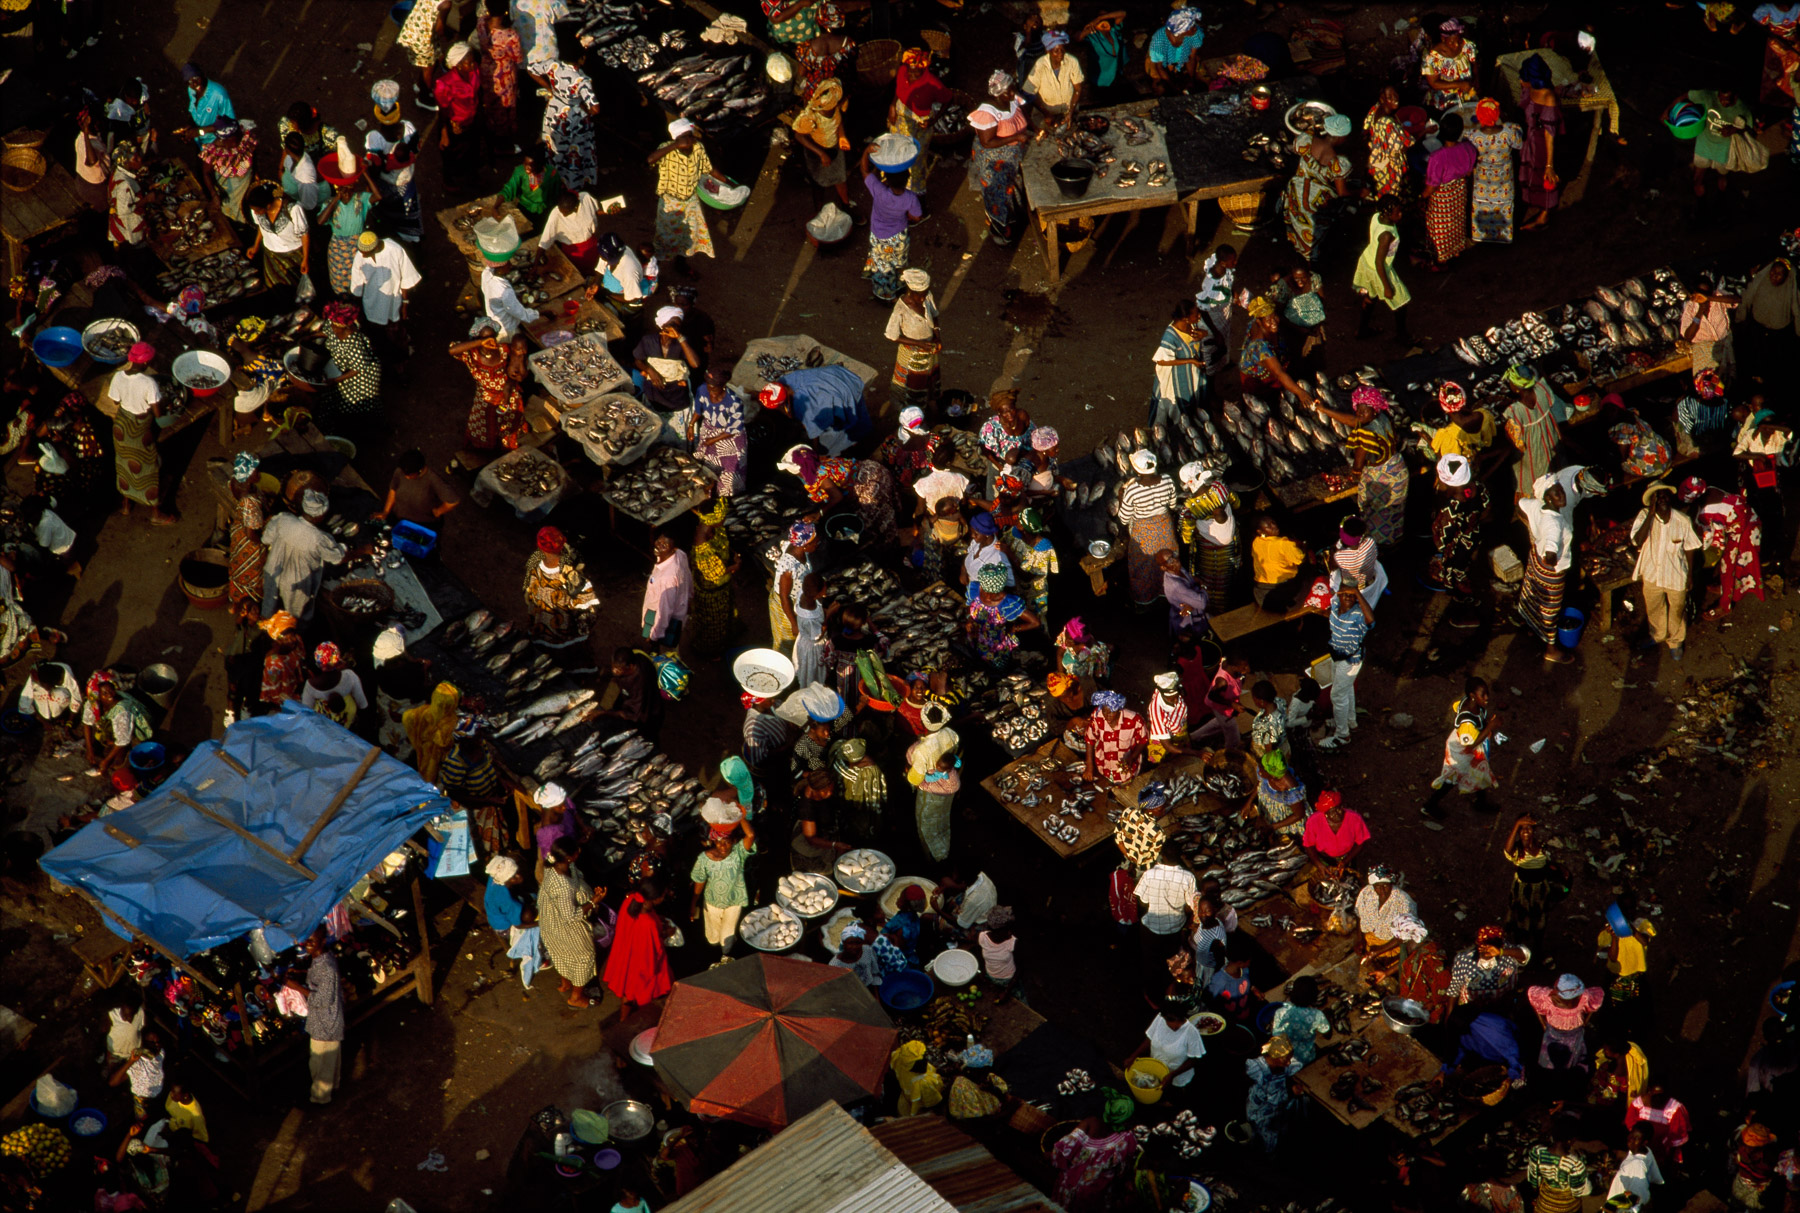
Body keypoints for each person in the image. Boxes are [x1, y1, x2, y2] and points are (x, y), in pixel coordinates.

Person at [1630, 483, 1702, 660]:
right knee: (1654, 607)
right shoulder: (1644, 516)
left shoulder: (1682, 520)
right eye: (1656, 497)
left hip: (1676, 574)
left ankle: (1675, 641)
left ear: (1670, 498)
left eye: (1664, 495)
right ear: (1651, 502)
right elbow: (1637, 541)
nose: (1661, 499)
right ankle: (1657, 635)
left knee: (1677, 610)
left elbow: (1690, 547)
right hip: (1652, 573)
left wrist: (1689, 576)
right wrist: (1651, 514)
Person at [107, 343, 176, 525]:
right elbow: (158, 414)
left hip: (121, 426)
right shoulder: (148, 382)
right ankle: (155, 512)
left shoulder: (118, 376)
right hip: (139, 429)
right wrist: (165, 403)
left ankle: (126, 505)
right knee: (148, 467)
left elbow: (115, 401)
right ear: (145, 362)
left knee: (124, 463)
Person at [1680, 476, 1764, 618]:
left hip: (1745, 531)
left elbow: (1715, 541)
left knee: (1728, 566)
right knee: (1729, 563)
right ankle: (1726, 587)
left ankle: (1725, 604)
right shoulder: (1711, 490)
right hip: (1747, 519)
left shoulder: (1707, 511)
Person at [537, 838, 604, 1008]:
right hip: (561, 924)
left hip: (552, 918)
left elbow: (577, 880)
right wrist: (593, 902)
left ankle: (565, 982)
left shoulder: (559, 866)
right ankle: (575, 997)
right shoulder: (562, 886)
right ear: (569, 857)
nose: (579, 852)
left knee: (562, 953)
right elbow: (571, 916)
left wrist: (589, 894)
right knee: (585, 956)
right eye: (576, 851)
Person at [966, 72, 1030, 245]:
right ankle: (1000, 229)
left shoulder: (1012, 100)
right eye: (1008, 92)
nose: (1013, 94)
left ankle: (1013, 218)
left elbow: (1023, 116)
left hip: (1012, 155)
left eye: (1012, 89)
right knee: (997, 192)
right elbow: (987, 142)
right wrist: (1015, 138)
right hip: (993, 159)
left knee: (1013, 186)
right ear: (997, 94)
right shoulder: (988, 113)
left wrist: (1034, 128)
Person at [650, 119, 723, 269]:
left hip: (691, 202)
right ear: (676, 139)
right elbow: (650, 160)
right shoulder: (666, 149)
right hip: (670, 203)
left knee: (689, 234)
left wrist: (727, 182)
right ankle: (655, 266)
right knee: (665, 236)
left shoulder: (698, 147)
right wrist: (675, 145)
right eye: (684, 137)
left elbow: (709, 168)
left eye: (690, 136)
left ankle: (681, 262)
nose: (689, 140)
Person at [1518, 478, 1577, 663]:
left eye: (1561, 490)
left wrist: (1533, 531)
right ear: (1547, 498)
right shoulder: (1554, 523)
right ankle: (1550, 649)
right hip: (1551, 571)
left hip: (1535, 560)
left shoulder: (1537, 506)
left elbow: (1520, 503)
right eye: (1556, 493)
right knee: (1550, 609)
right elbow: (1550, 552)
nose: (1562, 495)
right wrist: (1551, 560)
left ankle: (1530, 625)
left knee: (1534, 596)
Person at [447, 320, 528, 454]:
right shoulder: (471, 354)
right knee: (482, 429)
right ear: (476, 338)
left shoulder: (503, 349)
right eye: (484, 338)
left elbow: (519, 373)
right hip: (485, 396)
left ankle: (506, 451)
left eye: (491, 337)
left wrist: (510, 383)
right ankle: (486, 453)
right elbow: (452, 350)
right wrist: (481, 342)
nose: (489, 342)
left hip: (507, 395)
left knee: (508, 429)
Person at [1283, 113, 1350, 264]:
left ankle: (1297, 255)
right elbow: (1342, 192)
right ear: (1340, 137)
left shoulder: (1306, 140)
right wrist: (1361, 193)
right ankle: (1308, 265)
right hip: (1313, 205)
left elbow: (1296, 147)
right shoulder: (1338, 162)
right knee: (1312, 238)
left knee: (1296, 228)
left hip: (1296, 194)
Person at [522, 527, 599, 657]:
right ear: (562, 546)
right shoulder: (571, 576)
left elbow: (528, 596)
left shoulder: (534, 566)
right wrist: (583, 630)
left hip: (539, 629)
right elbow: (590, 610)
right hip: (564, 636)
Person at [758, 366, 872, 454]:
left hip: (845, 389)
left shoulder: (802, 405)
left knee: (850, 422)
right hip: (838, 375)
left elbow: (816, 431)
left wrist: (816, 451)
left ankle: (859, 442)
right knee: (857, 415)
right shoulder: (784, 382)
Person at [1314, 583, 1372, 751]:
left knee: (1337, 696)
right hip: (1336, 655)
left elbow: (1371, 620)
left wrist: (1357, 593)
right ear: (1338, 594)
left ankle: (1342, 735)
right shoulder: (1335, 605)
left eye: (1352, 595)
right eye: (1345, 593)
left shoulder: (1358, 614)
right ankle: (1349, 720)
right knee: (1346, 690)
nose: (1348, 597)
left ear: (1356, 598)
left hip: (1350, 661)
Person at [1050, 1104, 1136, 1211]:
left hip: (1068, 1190)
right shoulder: (1127, 1139)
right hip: (1096, 1197)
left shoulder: (1090, 1122)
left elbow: (1059, 1154)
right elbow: (1122, 1172)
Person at [689, 818, 755, 957]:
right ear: (713, 841)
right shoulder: (704, 859)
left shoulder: (738, 853)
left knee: (726, 940)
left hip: (734, 902)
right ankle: (714, 952)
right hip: (712, 903)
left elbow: (750, 835)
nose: (723, 846)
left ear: (734, 841)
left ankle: (726, 957)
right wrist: (694, 904)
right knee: (712, 938)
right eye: (719, 842)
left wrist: (740, 816)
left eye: (727, 842)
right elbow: (699, 883)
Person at [1503, 365, 1566, 501]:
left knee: (1530, 475)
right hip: (1550, 440)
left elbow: (1517, 442)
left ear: (1516, 388)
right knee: (1553, 467)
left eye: (1511, 383)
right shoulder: (1543, 389)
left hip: (1531, 452)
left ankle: (1534, 499)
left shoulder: (1514, 411)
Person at [1466, 97, 1524, 243]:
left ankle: (1481, 236)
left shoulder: (1473, 136)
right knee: (1503, 205)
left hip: (1482, 182)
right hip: (1504, 181)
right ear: (1497, 115)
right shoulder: (1508, 132)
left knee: (1482, 205)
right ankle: (1502, 236)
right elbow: (1519, 144)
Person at [1423, 112, 1477, 268]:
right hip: (1459, 191)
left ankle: (1442, 257)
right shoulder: (1468, 148)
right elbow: (1469, 173)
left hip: (1443, 196)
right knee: (1457, 220)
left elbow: (1432, 186)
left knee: (1441, 225)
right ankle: (1456, 249)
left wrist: (1423, 196)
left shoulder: (1437, 157)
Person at [349, 231, 420, 349]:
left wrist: (405, 304)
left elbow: (406, 278)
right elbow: (357, 287)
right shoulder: (360, 256)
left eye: (366, 254)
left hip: (393, 303)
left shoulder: (395, 250)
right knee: (377, 338)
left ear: (376, 247)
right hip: (372, 305)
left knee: (395, 335)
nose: (363, 256)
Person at [1240, 298, 1318, 405]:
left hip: (1272, 369)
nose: (1274, 322)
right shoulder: (1261, 347)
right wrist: (1301, 393)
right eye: (1268, 320)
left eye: (1274, 316)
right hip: (1258, 381)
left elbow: (1279, 319)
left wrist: (1302, 330)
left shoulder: (1257, 322)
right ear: (1259, 322)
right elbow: (1279, 373)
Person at [1517, 56, 1564, 232]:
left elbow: (1549, 133)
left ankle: (1544, 215)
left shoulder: (1548, 97)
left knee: (1545, 177)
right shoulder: (1530, 88)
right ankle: (1533, 201)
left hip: (1543, 145)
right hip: (1530, 141)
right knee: (1530, 173)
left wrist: (1549, 165)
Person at [1527, 973, 1604, 1078]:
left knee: (1552, 1055)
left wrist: (1543, 1024)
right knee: (1571, 1055)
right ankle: (1568, 1070)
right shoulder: (1585, 996)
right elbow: (1596, 1001)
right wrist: (1585, 1022)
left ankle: (1551, 1073)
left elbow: (1533, 996)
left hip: (1553, 1032)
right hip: (1574, 1032)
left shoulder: (1547, 996)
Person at [884, 269, 939, 413]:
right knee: (913, 385)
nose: (923, 298)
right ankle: (912, 412)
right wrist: (919, 344)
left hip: (929, 349)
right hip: (911, 354)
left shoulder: (927, 296)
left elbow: (935, 316)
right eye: (919, 295)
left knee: (929, 379)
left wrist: (937, 336)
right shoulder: (901, 308)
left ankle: (929, 402)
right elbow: (892, 335)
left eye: (925, 293)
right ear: (910, 291)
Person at [1687, 85, 1755, 201]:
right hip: (1704, 144)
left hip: (1724, 148)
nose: (1722, 102)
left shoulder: (1742, 109)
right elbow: (1687, 95)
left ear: (1735, 97)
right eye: (1720, 98)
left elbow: (1749, 128)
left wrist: (1734, 129)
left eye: (1726, 100)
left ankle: (1721, 193)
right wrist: (1667, 111)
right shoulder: (1709, 96)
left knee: (1722, 172)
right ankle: (1699, 198)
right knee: (1699, 172)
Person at [302, 930, 346, 1103]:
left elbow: (322, 999)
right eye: (307, 940)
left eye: (312, 941)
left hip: (326, 1022)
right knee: (328, 1061)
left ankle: (321, 1099)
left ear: (323, 941)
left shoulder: (326, 967)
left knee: (321, 1063)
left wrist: (295, 986)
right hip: (322, 1020)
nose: (308, 943)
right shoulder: (319, 960)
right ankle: (333, 1087)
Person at [905, 724, 960, 862]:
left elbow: (915, 779)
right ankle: (942, 846)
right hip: (946, 796)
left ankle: (932, 855)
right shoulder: (950, 733)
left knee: (926, 822)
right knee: (942, 818)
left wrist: (919, 783)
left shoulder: (921, 750)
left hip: (933, 796)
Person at [244, 183, 311, 295]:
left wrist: (305, 259)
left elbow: (305, 235)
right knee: (277, 290)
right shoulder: (256, 210)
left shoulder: (293, 209)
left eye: (258, 210)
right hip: (271, 256)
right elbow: (261, 226)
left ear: (268, 206)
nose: (255, 213)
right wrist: (255, 246)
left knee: (298, 290)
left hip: (294, 256)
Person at [1130, 999, 1206, 1095]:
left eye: (1178, 1021)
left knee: (1174, 1096)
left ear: (1182, 1018)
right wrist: (1133, 1056)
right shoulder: (1160, 1018)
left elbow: (1194, 1059)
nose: (1174, 1026)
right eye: (1169, 1021)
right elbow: (1149, 1038)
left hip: (1177, 1079)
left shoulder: (1191, 1032)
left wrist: (1173, 1074)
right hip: (1157, 1071)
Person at [1151, 301, 1207, 430]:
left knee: (1193, 400)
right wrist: (1190, 361)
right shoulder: (1170, 336)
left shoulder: (1192, 326)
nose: (1199, 316)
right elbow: (1161, 361)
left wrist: (1204, 334)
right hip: (1175, 378)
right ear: (1185, 318)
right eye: (1196, 315)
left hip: (1191, 374)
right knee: (1176, 406)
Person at [433, 42, 482, 190]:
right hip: (454, 125)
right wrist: (444, 133)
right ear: (458, 65)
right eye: (469, 63)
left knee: (472, 149)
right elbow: (443, 110)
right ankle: (448, 181)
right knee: (451, 154)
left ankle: (469, 175)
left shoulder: (474, 71)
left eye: (473, 61)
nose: (473, 64)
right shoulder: (445, 84)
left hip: (472, 120)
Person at [1244, 1036, 1305, 1153]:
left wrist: (1293, 1085)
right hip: (1261, 1109)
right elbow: (1272, 1097)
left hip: (1279, 1107)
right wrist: (1291, 1092)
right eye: (1285, 1060)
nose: (1288, 1063)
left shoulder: (1284, 1065)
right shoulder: (1258, 1070)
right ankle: (1264, 1153)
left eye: (1289, 1059)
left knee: (1280, 1126)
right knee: (1264, 1133)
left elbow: (1294, 1069)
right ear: (1273, 1057)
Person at [1502, 814, 1553, 949]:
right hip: (1522, 890)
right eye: (1522, 828)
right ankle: (1519, 948)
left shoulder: (1541, 846)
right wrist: (1516, 824)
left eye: (1529, 828)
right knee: (1521, 919)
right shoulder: (1518, 850)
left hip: (1540, 888)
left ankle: (1537, 948)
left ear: (1534, 830)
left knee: (1539, 919)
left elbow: (1549, 864)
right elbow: (1507, 850)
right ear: (1518, 832)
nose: (1525, 831)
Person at [475, 8, 523, 151]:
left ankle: (490, 136)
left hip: (486, 69)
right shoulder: (510, 35)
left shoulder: (481, 22)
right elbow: (518, 58)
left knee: (491, 104)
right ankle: (503, 146)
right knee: (505, 108)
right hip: (504, 75)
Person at [379, 448, 458, 532]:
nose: (406, 477)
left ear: (420, 470)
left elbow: (453, 501)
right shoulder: (400, 471)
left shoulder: (433, 480)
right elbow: (393, 490)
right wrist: (386, 512)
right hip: (399, 519)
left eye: (409, 475)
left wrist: (438, 512)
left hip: (422, 526)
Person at [1354, 866, 1416, 972]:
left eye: (1385, 885)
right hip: (1370, 942)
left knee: (1385, 970)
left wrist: (1378, 951)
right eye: (1377, 886)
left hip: (1391, 947)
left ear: (1391, 883)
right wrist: (1360, 940)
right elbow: (1359, 915)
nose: (1382, 890)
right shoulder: (1366, 892)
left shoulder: (1403, 901)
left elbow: (1404, 935)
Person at [1526, 1116, 1592, 1213]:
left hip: (1543, 1207)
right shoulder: (1575, 1163)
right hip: (1568, 1208)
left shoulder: (1537, 1152)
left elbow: (1533, 1182)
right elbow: (1578, 1193)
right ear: (1571, 1140)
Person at [1301, 790, 1369, 876]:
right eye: (1332, 812)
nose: (1337, 814)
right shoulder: (1314, 821)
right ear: (1325, 813)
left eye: (1339, 809)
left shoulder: (1355, 819)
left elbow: (1360, 842)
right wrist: (1318, 863)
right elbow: (1308, 844)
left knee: (1348, 876)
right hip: (1324, 857)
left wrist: (1345, 861)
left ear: (1342, 807)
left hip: (1348, 856)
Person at [1086, 690, 1148, 786]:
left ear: (1119, 709)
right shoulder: (1097, 716)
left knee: (1125, 788)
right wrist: (1089, 766)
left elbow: (1143, 740)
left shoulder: (1135, 720)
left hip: (1126, 772)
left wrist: (1132, 757)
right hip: (1103, 767)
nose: (1107, 716)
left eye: (1111, 712)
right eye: (1104, 711)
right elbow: (1090, 739)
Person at [1269, 975, 1332, 1064]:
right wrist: (1327, 1016)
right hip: (1304, 1058)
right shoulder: (1317, 1015)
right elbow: (1328, 1035)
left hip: (1283, 1058)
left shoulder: (1281, 1012)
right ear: (1314, 998)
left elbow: (1275, 1033)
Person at [1027, 30, 1085, 127]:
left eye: (1062, 50)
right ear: (1048, 51)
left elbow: (1077, 89)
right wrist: (1046, 113)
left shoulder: (1072, 61)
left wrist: (1071, 112)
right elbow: (1030, 93)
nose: (1060, 54)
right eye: (1056, 51)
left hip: (1068, 108)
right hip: (1046, 111)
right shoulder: (1040, 65)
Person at [1364, 85, 1413, 199]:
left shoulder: (1375, 109)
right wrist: (1424, 131)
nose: (1395, 98)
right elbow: (1404, 146)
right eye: (1389, 97)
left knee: (1381, 191)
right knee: (1391, 196)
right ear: (1382, 99)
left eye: (1395, 94)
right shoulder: (1388, 123)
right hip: (1389, 166)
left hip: (1377, 161)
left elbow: (1366, 129)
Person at [1624, 1085, 1691, 1165]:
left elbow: (1676, 1137)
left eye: (1661, 1096)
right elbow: (1631, 1126)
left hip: (1661, 1153)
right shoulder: (1639, 1104)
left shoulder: (1675, 1108)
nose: (1658, 1099)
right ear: (1650, 1092)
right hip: (1639, 1150)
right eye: (1655, 1096)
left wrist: (1666, 1160)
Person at [1420, 17, 1477, 108]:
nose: (1456, 45)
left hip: (1467, 92)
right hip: (1445, 98)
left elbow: (1475, 64)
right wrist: (1460, 84)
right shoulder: (1432, 58)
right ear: (1443, 39)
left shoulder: (1467, 45)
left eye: (1458, 40)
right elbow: (1434, 83)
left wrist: (1476, 81)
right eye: (1452, 42)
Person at [1145, 8, 1204, 92]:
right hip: (1158, 63)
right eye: (1192, 26)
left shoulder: (1195, 34)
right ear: (1182, 30)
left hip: (1181, 59)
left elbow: (1191, 58)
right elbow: (1160, 67)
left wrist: (1191, 80)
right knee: (1160, 87)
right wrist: (1173, 88)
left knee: (1201, 77)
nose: (1195, 28)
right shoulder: (1159, 40)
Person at [1606, 1126, 1666, 1209]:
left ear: (1645, 1142)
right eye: (1631, 1134)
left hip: (1621, 1206)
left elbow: (1637, 1198)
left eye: (1636, 1138)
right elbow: (1654, 1175)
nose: (1631, 1139)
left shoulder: (1637, 1165)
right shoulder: (1646, 1150)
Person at [176, 62, 234, 145]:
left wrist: (200, 131)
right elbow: (194, 111)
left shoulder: (219, 94)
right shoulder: (191, 90)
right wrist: (190, 126)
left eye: (196, 78)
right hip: (201, 142)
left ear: (202, 75)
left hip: (217, 143)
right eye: (190, 81)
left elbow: (230, 123)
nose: (194, 83)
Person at [889, 1040, 944, 1116]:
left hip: (906, 1099)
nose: (925, 1061)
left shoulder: (900, 1060)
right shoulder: (924, 1083)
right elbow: (933, 1102)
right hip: (920, 1108)